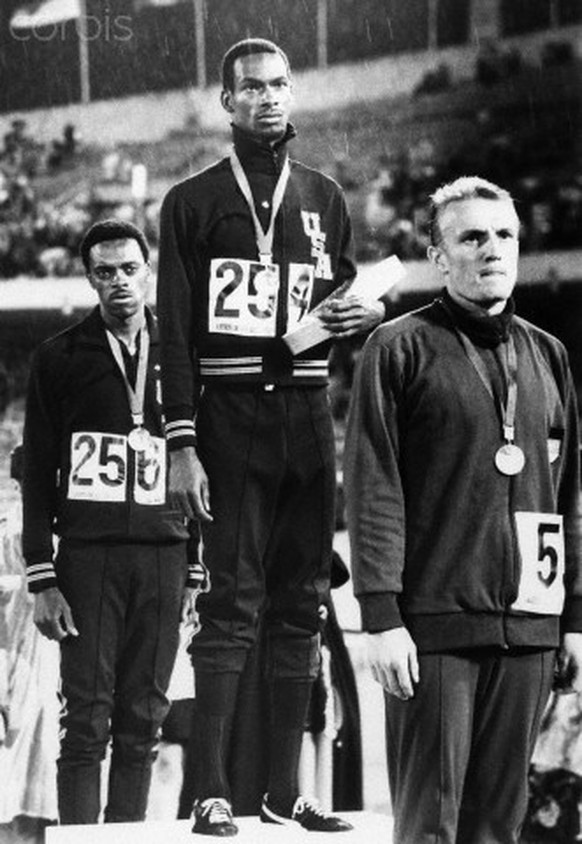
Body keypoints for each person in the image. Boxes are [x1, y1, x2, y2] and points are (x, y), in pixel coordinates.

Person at [156, 37, 386, 837]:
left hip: (305, 414)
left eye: (279, 84)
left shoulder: (324, 194)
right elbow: (177, 333)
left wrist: (368, 312)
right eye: (250, 87)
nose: (267, 98)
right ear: (226, 101)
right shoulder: (190, 201)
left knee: (303, 602)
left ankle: (284, 789)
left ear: (295, 93)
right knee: (230, 605)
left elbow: (344, 293)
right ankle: (212, 788)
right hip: (225, 416)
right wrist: (181, 444)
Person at [344, 176, 582, 844]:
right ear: (440, 256)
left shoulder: (549, 355)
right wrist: (383, 617)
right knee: (431, 828)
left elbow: (570, 498)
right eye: (471, 236)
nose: (492, 249)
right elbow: (374, 488)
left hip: (532, 629)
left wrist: (576, 619)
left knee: (497, 830)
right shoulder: (397, 347)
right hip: (435, 628)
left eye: (504, 234)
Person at [21, 219, 197, 826]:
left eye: (129, 269)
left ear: (147, 272)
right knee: (88, 719)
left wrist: (196, 566)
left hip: (164, 554)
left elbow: (204, 466)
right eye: (105, 271)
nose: (119, 282)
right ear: (88, 278)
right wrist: (42, 578)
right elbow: (39, 472)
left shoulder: (181, 352)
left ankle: (124, 839)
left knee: (144, 718)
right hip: (88, 559)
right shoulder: (59, 357)